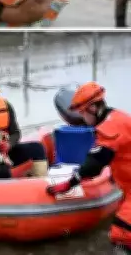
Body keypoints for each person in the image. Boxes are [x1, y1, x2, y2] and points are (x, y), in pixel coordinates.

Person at [46, 82, 131, 253]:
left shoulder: (110, 128)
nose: (82, 119)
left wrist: (69, 183)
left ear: (92, 108)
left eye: (82, 113)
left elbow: (94, 164)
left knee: (121, 235)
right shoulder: (118, 116)